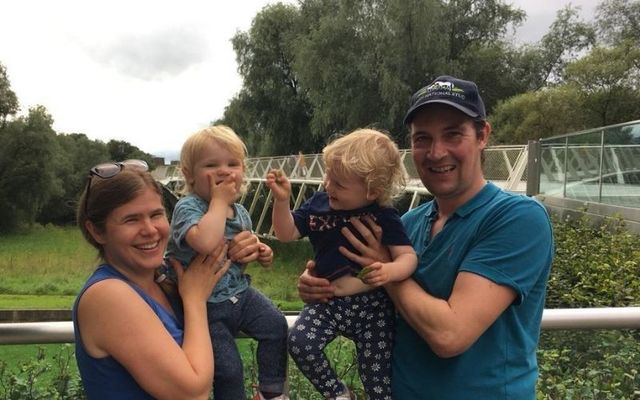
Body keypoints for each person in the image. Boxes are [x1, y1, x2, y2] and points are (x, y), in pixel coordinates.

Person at [297, 76, 554, 399]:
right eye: (422, 139)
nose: (436, 152)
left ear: (482, 135)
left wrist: (385, 267)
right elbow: (375, 306)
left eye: (453, 134)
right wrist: (323, 284)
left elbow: (450, 335)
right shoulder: (409, 223)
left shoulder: (517, 218)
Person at [266, 129, 418, 400]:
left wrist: (388, 270)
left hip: (372, 307)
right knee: (300, 342)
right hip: (328, 302)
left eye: (338, 183)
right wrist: (281, 201)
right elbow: (286, 233)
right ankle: (338, 393)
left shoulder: (383, 215)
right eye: (327, 176)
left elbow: (408, 257)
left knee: (377, 377)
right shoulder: (319, 204)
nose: (327, 185)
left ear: (373, 191)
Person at [73, 159, 232, 400]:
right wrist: (195, 301)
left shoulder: (165, 279)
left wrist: (242, 248)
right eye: (131, 219)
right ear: (97, 231)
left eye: (156, 214)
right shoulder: (107, 296)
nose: (150, 229)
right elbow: (192, 393)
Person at [165, 126, 289, 400]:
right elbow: (206, 243)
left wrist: (260, 252)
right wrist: (219, 201)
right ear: (189, 175)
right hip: (205, 308)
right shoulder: (188, 207)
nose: (224, 171)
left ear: (242, 171)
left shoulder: (241, 212)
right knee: (229, 370)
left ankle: (272, 392)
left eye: (232, 164)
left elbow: (240, 252)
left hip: (239, 295)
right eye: (212, 165)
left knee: (275, 325)